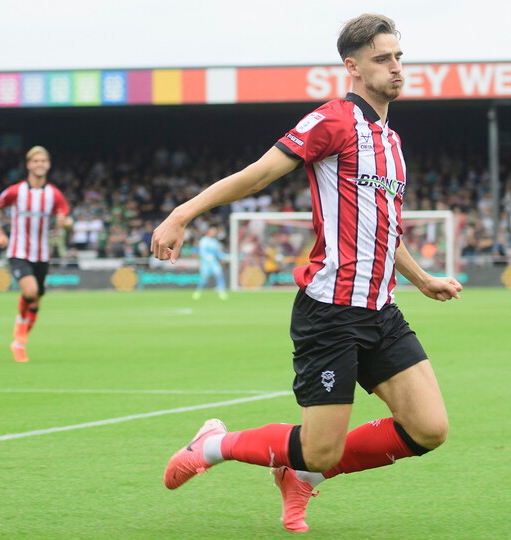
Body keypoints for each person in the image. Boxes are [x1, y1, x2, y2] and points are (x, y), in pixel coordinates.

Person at [151, 14, 462, 533]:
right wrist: (182, 213)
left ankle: (303, 479)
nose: (395, 68)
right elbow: (258, 175)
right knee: (320, 447)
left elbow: (382, 230)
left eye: (399, 57)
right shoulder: (333, 121)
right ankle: (214, 444)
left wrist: (422, 278)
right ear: (353, 66)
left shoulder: (391, 141)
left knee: (429, 429)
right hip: (332, 312)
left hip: (381, 309)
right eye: (383, 59)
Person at [0, 146, 72, 362]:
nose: (39, 164)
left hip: (42, 254)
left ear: (48, 165)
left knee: (35, 302)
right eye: (35, 161)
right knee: (30, 291)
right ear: (28, 164)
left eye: (43, 161)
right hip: (18, 251)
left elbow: (68, 220)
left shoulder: (54, 194)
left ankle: (19, 343)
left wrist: (67, 223)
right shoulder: (16, 191)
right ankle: (19, 335)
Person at [192, 225, 228, 300]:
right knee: (204, 279)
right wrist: (207, 257)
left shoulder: (214, 241)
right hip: (205, 262)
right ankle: (198, 292)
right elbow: (202, 252)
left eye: (215, 231)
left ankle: (222, 292)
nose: (214, 233)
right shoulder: (204, 240)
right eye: (213, 231)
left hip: (214, 262)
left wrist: (224, 256)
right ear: (209, 231)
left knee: (219, 274)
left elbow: (217, 252)